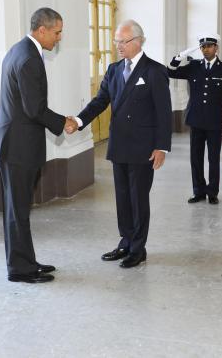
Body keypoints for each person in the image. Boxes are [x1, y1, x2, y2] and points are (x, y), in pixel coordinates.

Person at [66, 20, 172, 268]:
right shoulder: (114, 70)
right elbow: (100, 101)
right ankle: (125, 241)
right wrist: (79, 121)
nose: (118, 46)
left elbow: (164, 112)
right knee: (123, 197)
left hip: (143, 148)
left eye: (122, 42)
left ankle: (138, 248)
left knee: (138, 198)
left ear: (138, 41)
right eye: (116, 41)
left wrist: (161, 147)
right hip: (119, 145)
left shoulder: (154, 71)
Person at [0, 8, 77, 283]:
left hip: (16, 143)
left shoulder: (20, 50)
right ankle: (20, 269)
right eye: (57, 32)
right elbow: (34, 108)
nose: (59, 38)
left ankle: (26, 261)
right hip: (18, 147)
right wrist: (64, 122)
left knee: (20, 209)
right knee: (17, 210)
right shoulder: (28, 59)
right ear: (42, 30)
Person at [167, 34, 222, 204]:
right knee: (195, 158)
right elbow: (170, 71)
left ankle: (212, 192)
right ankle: (198, 191)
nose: (206, 49)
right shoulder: (193, 66)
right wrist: (179, 57)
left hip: (215, 121)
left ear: (216, 47)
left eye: (209, 46)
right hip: (195, 120)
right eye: (203, 47)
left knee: (213, 158)